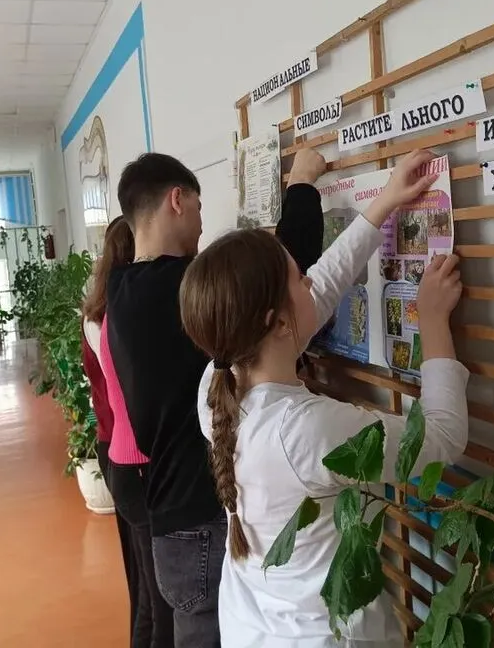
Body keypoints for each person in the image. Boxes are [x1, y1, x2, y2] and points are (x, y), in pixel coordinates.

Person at [180, 149, 470, 647]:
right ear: (277, 322)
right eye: (298, 276)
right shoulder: (306, 431)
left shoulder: (219, 379)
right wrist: (433, 321)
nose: (310, 279)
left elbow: (320, 290)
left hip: (252, 628)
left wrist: (385, 202)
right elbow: (441, 438)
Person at [106, 149, 327, 646]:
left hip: (170, 515)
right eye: (200, 207)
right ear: (177, 200)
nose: (203, 221)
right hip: (198, 523)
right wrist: (302, 183)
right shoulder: (176, 288)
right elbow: (278, 268)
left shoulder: (121, 289)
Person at [82, 217, 173, 647]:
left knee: (144, 587)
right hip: (129, 453)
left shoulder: (101, 311)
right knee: (154, 597)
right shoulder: (114, 319)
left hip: (117, 448)